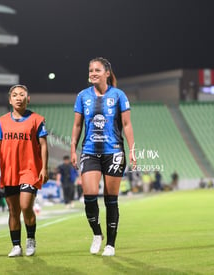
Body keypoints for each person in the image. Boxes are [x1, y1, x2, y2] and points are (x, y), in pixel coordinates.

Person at [71, 57, 136, 257]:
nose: (92, 73)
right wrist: (73, 148)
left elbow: (126, 124)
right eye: (90, 70)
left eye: (97, 70)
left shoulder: (118, 95)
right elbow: (77, 125)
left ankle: (111, 244)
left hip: (114, 151)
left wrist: (132, 149)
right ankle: (97, 234)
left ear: (107, 73)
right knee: (89, 196)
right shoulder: (83, 96)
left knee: (111, 200)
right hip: (90, 151)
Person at [0, 84, 48, 257]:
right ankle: (16, 245)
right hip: (9, 171)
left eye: (22, 94)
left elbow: (43, 145)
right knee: (13, 210)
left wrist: (44, 168)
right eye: (14, 95)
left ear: (27, 99)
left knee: (25, 206)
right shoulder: (2, 121)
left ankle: (30, 239)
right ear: (10, 100)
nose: (18, 97)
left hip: (29, 170)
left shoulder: (37, 119)